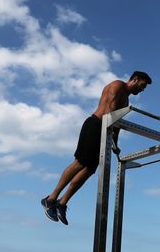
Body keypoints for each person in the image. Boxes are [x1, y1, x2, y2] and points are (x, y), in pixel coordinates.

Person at [41, 71, 152, 226]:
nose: (142, 90)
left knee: (90, 169)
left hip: (105, 130)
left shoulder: (126, 101)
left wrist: (115, 143)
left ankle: (62, 203)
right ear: (135, 79)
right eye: (142, 86)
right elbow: (110, 110)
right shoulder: (118, 85)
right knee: (80, 163)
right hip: (95, 125)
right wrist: (110, 130)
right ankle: (50, 199)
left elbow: (116, 122)